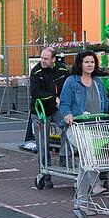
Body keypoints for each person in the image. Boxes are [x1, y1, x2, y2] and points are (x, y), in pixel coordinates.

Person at [60, 50, 109, 196]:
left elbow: (104, 102)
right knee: (87, 151)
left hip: (96, 128)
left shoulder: (97, 82)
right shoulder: (72, 81)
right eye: (86, 62)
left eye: (92, 62)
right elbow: (64, 104)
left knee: (85, 163)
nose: (90, 65)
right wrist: (67, 115)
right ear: (80, 64)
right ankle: (95, 184)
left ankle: (81, 202)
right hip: (77, 128)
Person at [30, 47, 70, 187]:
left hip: (56, 109)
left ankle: (64, 157)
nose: (43, 61)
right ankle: (45, 173)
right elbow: (35, 92)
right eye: (41, 58)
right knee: (42, 142)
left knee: (69, 128)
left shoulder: (63, 70)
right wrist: (54, 98)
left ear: (53, 59)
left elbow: (68, 87)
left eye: (46, 59)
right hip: (40, 110)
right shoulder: (36, 72)